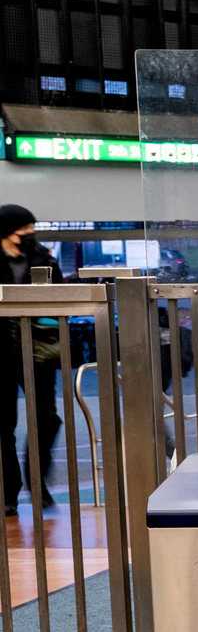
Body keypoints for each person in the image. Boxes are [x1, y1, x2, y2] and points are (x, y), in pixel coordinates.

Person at [0, 206, 63, 515]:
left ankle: (37, 485)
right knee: (3, 425)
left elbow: (59, 297)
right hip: (2, 349)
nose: (29, 234)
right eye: (22, 229)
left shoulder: (44, 258)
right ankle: (8, 493)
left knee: (46, 418)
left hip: (36, 350)